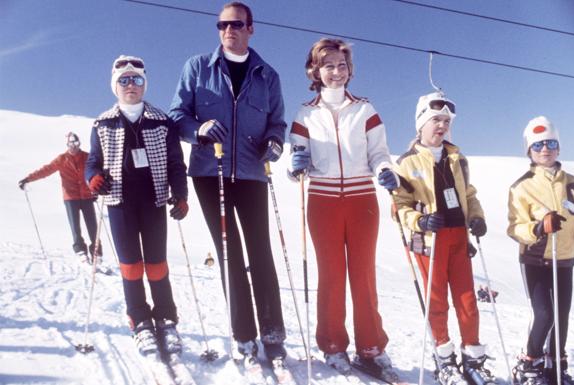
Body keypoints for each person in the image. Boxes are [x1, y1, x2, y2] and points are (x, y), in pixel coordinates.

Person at [168, 1, 288, 363]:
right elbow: (178, 115)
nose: (228, 30)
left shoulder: (267, 75)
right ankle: (244, 333)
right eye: (221, 25)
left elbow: (277, 123)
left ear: (251, 28)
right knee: (228, 251)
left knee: (260, 250)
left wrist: (275, 142)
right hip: (210, 171)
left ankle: (272, 332)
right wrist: (198, 129)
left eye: (235, 24)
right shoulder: (198, 67)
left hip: (252, 173)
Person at [289, 38, 400, 382]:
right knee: (332, 275)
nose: (335, 72)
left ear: (350, 70)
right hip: (322, 200)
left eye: (341, 65)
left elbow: (379, 152)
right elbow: (297, 162)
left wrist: (385, 169)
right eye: (328, 66)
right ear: (315, 71)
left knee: (363, 275)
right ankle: (333, 345)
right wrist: (295, 166)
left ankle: (371, 348)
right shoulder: (305, 113)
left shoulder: (366, 110)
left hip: (361, 198)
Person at [85, 55, 189, 357]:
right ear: (115, 86)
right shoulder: (102, 123)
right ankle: (140, 319)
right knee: (131, 266)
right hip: (120, 203)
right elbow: (93, 161)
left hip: (153, 200)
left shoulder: (161, 121)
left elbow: (175, 163)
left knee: (157, 265)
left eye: (137, 80)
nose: (131, 85)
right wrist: (93, 178)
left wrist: (180, 195)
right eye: (124, 80)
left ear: (145, 85)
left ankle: (166, 318)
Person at [392, 91, 495, 385]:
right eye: (435, 119)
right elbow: (399, 205)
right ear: (420, 123)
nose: (441, 126)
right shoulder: (407, 162)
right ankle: (445, 359)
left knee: (467, 299)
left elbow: (469, 194)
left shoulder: (457, 158)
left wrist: (476, 217)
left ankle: (473, 358)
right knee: (437, 300)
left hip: (459, 236)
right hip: (430, 240)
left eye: (446, 121)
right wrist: (420, 220)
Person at [507, 116, 574, 385]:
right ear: (529, 150)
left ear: (559, 147)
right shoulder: (521, 186)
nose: (545, 149)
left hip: (564, 259)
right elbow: (515, 227)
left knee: (561, 317)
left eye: (551, 143)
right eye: (538, 144)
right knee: (544, 314)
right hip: (536, 258)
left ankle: (556, 367)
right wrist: (539, 228)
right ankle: (529, 362)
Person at [18, 132, 101, 262]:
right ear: (67, 144)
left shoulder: (87, 157)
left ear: (79, 143)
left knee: (92, 226)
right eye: (70, 143)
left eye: (76, 143)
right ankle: (80, 251)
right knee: (75, 226)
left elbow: (95, 172)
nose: (73, 146)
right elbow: (46, 170)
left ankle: (97, 252)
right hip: (70, 198)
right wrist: (28, 179)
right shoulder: (62, 159)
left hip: (87, 196)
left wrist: (96, 189)